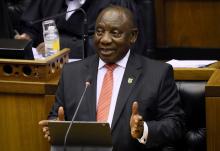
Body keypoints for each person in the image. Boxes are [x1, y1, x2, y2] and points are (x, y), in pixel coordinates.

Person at [39, 5, 185, 151]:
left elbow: (175, 125)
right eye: (99, 32)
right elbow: (56, 116)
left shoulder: (157, 73)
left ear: (133, 36)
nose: (105, 40)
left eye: (115, 33)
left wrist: (144, 129)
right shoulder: (72, 73)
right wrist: (56, 127)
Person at [15, 0, 150, 59]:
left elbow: (121, 45)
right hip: (45, 72)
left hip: (92, 76)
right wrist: (27, 36)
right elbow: (33, 23)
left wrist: (62, 46)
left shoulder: (116, 4)